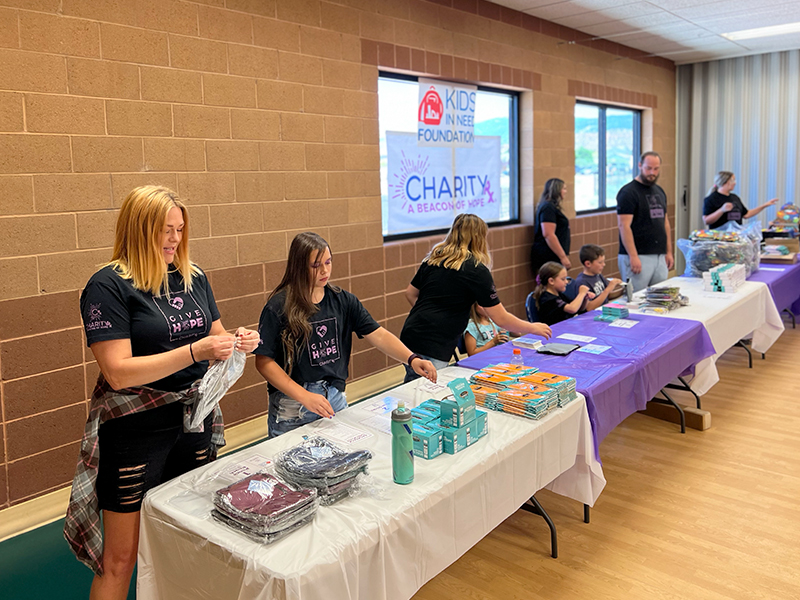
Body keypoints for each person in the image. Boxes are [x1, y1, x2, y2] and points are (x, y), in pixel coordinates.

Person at [66, 186, 260, 600]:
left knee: (187, 539)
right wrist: (194, 351)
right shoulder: (108, 286)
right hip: (135, 431)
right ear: (140, 229)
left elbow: (215, 336)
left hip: (192, 420)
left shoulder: (194, 277)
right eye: (165, 230)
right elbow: (117, 373)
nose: (174, 239)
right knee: (120, 560)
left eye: (179, 230)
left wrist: (238, 341)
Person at [255, 232, 436, 437]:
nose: (325, 270)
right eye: (316, 266)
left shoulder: (343, 300)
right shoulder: (279, 306)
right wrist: (304, 396)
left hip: (334, 397)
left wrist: (411, 358)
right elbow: (264, 362)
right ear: (299, 267)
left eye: (328, 262)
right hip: (293, 405)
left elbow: (378, 335)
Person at [401, 213, 552, 382]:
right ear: (479, 238)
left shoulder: (433, 260)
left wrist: (430, 313)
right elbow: (500, 318)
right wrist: (532, 327)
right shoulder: (476, 270)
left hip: (412, 332)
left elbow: (410, 293)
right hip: (435, 341)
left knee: (414, 383)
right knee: (424, 390)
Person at [616, 151, 673, 292]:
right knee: (636, 297)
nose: (652, 172)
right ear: (640, 165)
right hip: (639, 254)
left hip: (659, 254)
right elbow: (624, 226)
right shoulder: (628, 192)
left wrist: (669, 251)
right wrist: (633, 256)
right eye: (648, 168)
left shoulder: (659, 191)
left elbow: (665, 223)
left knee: (660, 297)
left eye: (656, 169)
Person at [702, 171, 778, 229]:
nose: (734, 183)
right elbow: (706, 220)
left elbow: (746, 214)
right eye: (732, 180)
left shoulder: (734, 198)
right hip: (719, 238)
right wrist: (722, 210)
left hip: (736, 236)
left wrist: (765, 205)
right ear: (724, 182)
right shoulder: (711, 199)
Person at [530, 178, 571, 277]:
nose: (565, 192)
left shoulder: (551, 207)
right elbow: (548, 234)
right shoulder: (548, 208)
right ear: (556, 190)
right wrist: (563, 257)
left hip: (553, 255)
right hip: (548, 255)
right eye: (564, 189)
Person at [534, 261, 593, 325]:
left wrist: (584, 298)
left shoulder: (559, 294)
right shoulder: (547, 299)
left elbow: (579, 309)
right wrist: (581, 293)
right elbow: (572, 309)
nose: (566, 282)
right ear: (551, 281)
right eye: (563, 279)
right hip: (554, 332)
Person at [574, 244, 623, 310]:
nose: (604, 264)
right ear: (588, 264)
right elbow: (589, 307)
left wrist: (623, 291)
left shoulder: (598, 275)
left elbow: (607, 295)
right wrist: (608, 288)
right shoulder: (582, 282)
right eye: (600, 262)